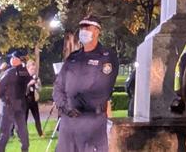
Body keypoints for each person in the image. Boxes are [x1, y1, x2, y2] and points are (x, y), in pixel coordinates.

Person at [52, 15, 118, 152]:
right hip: (68, 125)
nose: (83, 30)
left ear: (97, 31)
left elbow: (102, 90)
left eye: (87, 27)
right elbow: (58, 87)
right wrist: (66, 107)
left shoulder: (106, 57)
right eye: (81, 27)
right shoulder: (73, 57)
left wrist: (74, 104)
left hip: (91, 124)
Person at [0, 50, 30, 152]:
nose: (10, 59)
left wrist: (3, 100)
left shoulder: (10, 72)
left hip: (8, 105)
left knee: (4, 131)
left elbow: (0, 89)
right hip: (20, 104)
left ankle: (0, 150)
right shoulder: (25, 72)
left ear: (16, 59)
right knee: (22, 130)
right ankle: (25, 149)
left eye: (12, 57)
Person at [24, 60, 42, 137]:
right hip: (25, 100)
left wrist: (37, 84)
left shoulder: (36, 78)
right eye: (32, 69)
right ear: (27, 68)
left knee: (37, 117)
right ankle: (24, 134)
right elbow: (21, 89)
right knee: (24, 118)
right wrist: (28, 84)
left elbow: (40, 89)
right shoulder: (24, 77)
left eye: (34, 69)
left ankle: (40, 133)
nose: (33, 71)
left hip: (34, 100)